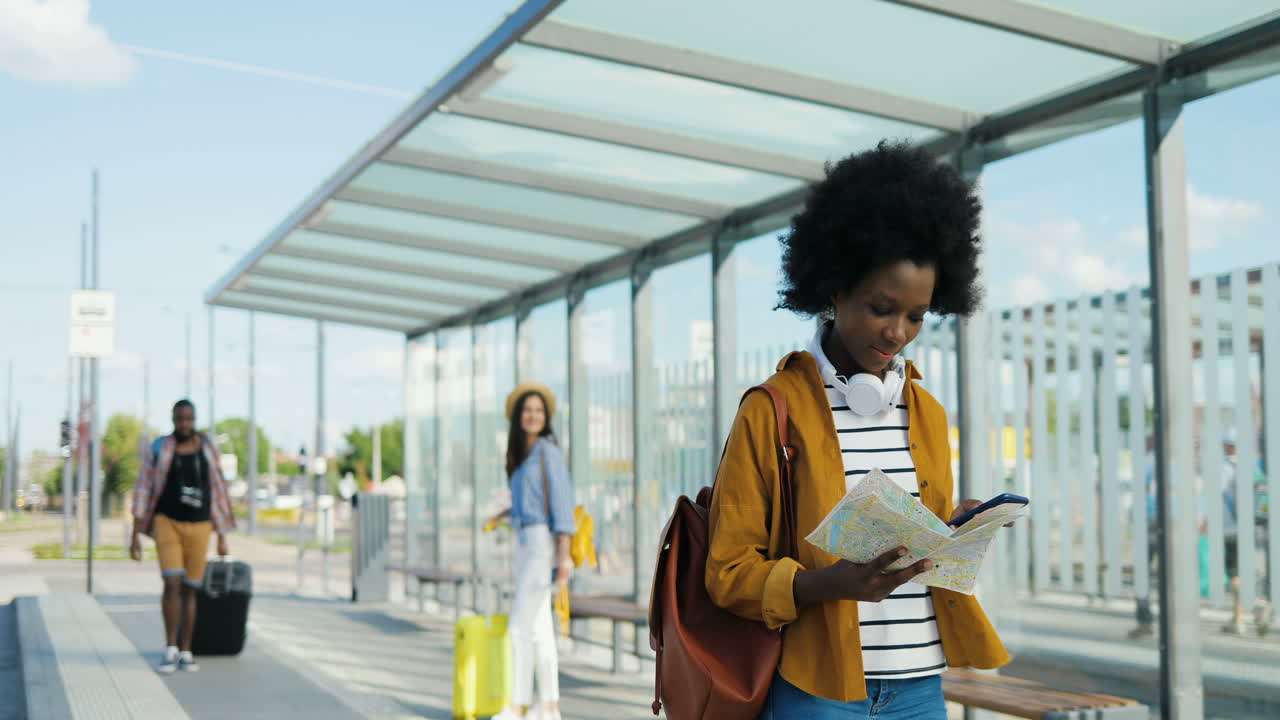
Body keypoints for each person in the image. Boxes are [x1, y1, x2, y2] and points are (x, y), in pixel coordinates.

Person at [705, 142, 1010, 719]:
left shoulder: (927, 412)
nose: (898, 332)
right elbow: (727, 574)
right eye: (881, 307)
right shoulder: (772, 410)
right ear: (836, 286)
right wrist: (828, 586)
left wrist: (954, 534)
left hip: (921, 688)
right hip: (817, 688)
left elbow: (923, 553)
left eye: (917, 315)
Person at [487, 382, 575, 720]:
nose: (533, 415)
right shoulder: (520, 455)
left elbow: (562, 507)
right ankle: (549, 707)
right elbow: (528, 503)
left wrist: (563, 556)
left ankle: (517, 705)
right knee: (539, 629)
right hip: (523, 543)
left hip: (541, 547)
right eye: (527, 410)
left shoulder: (547, 452)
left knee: (519, 627)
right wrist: (502, 515)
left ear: (546, 416)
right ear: (517, 416)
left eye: (539, 411)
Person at [129, 399, 235, 673]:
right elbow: (143, 487)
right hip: (167, 522)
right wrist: (135, 534)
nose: (184, 424)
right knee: (171, 582)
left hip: (200, 525)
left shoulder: (208, 448)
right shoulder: (161, 447)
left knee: (191, 587)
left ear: (195, 420)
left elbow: (219, 490)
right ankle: (169, 647)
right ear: (173, 420)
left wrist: (223, 535)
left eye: (188, 419)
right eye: (179, 419)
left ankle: (186, 650)